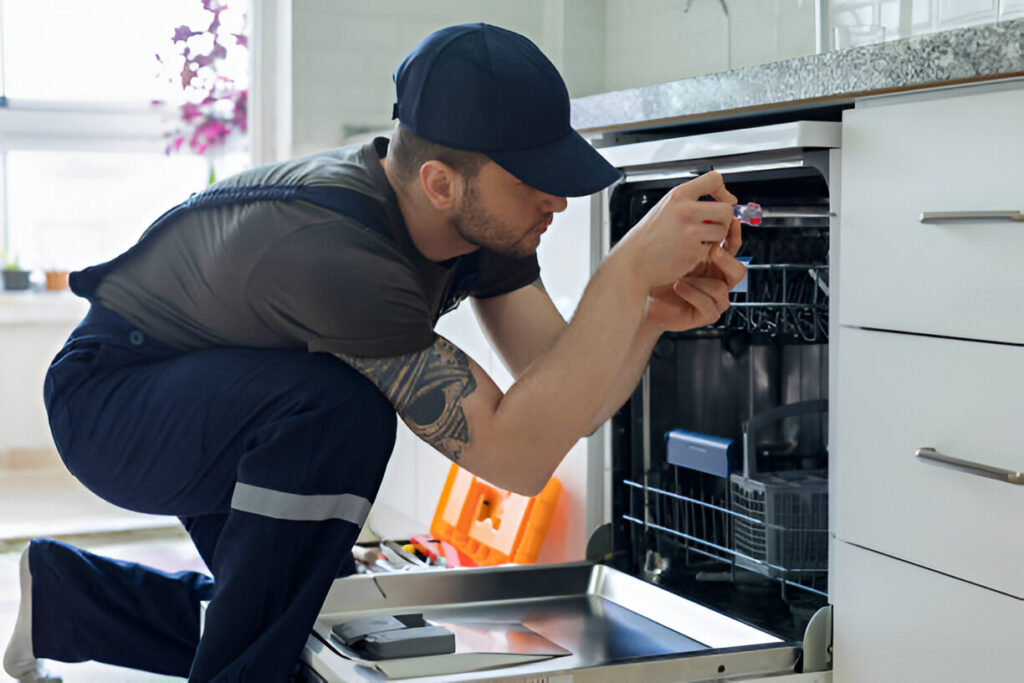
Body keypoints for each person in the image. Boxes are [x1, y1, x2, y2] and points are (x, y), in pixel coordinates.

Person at [3, 22, 745, 683]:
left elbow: (560, 401)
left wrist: (643, 315)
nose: (557, 200)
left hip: (222, 390)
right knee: (343, 415)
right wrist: (621, 271)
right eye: (533, 181)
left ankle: (70, 600)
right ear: (440, 181)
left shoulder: (477, 225)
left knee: (296, 608)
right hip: (113, 402)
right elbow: (513, 455)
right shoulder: (343, 257)